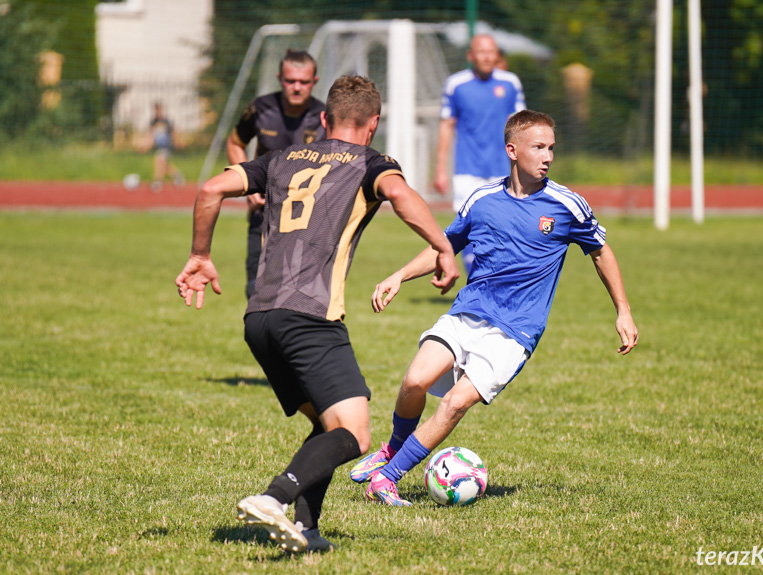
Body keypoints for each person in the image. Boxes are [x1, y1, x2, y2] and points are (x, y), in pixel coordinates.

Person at [175, 75, 459, 551]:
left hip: (259, 319)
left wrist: (201, 255)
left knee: (327, 425)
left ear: (324, 119)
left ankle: (307, 529)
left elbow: (209, 189)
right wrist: (442, 247)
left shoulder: (282, 158)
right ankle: (274, 498)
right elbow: (403, 197)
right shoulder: (372, 163)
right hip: (310, 318)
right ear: (374, 124)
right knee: (355, 433)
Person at [350, 110, 639, 506]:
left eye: (551, 147)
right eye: (538, 147)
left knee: (455, 404)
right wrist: (399, 275)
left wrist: (622, 310)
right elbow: (446, 244)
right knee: (414, 381)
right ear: (512, 150)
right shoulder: (482, 199)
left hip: (515, 331)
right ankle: (393, 450)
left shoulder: (566, 205)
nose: (548, 155)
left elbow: (600, 251)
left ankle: (388, 478)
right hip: (468, 312)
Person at [227, 49, 326, 299]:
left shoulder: (325, 117)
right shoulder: (260, 109)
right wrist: (246, 187)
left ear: (314, 82)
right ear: (279, 78)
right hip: (263, 215)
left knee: (301, 296)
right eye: (290, 81)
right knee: (256, 290)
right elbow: (235, 142)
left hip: (306, 221)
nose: (296, 87)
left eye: (303, 82)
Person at [433, 34, 525, 274]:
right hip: (467, 170)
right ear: (470, 56)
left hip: (502, 169)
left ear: (497, 55)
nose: (487, 56)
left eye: (491, 51)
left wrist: (523, 167)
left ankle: (497, 282)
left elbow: (520, 127)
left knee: (504, 230)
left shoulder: (510, 83)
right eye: (481, 52)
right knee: (470, 230)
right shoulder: (456, 84)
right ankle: (477, 285)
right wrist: (440, 168)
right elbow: (446, 126)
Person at [147, 102, 183, 191]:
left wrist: (178, 141)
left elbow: (173, 132)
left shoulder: (166, 121)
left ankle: (157, 182)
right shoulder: (153, 121)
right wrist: (147, 144)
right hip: (158, 146)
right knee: (164, 165)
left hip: (166, 146)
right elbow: (150, 134)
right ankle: (177, 175)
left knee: (158, 162)